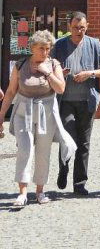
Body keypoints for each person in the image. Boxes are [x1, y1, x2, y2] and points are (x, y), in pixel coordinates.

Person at [0, 30, 75, 206]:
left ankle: (40, 191)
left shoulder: (54, 64)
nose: (45, 52)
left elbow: (61, 89)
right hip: (23, 111)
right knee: (24, 150)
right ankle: (22, 192)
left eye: (48, 48)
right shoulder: (20, 65)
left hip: (46, 110)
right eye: (41, 48)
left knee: (43, 152)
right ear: (32, 48)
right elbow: (11, 91)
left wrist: (47, 73)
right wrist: (1, 114)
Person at [53, 12, 100, 195]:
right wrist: (60, 72)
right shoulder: (60, 45)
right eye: (76, 27)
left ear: (87, 26)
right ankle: (64, 168)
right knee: (68, 139)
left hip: (88, 101)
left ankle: (80, 183)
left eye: (83, 27)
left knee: (84, 143)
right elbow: (48, 66)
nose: (79, 31)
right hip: (65, 101)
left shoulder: (94, 44)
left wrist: (90, 73)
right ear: (69, 26)